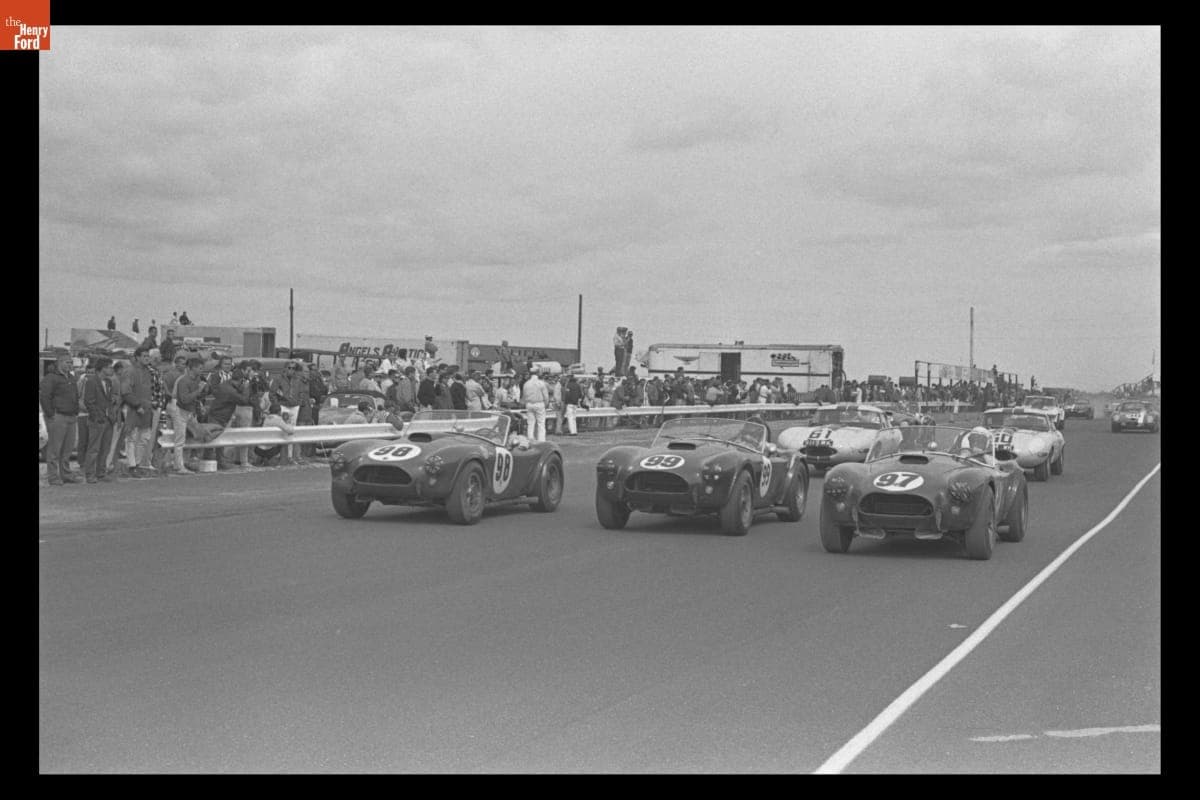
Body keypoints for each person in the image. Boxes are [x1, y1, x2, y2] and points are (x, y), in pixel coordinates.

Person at [40, 354, 81, 485]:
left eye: (71, 363)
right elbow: (45, 397)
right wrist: (50, 414)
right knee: (54, 449)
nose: (71, 365)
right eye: (68, 362)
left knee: (68, 449)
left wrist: (75, 411)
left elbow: (76, 396)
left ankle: (66, 474)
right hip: (58, 416)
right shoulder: (50, 378)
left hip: (71, 416)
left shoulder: (72, 378)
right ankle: (53, 476)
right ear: (60, 363)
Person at [81, 357, 121, 483]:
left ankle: (101, 473)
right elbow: (89, 401)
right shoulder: (91, 381)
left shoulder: (108, 382)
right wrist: (97, 416)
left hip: (108, 419)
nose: (111, 369)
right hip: (97, 420)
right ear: (102, 368)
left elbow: (108, 400)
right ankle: (90, 474)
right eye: (109, 367)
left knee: (105, 448)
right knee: (94, 448)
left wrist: (112, 412)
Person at [120, 347, 156, 478]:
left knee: (144, 438)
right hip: (133, 409)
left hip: (146, 409)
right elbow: (125, 392)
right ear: (137, 357)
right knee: (132, 437)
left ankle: (138, 463)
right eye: (144, 356)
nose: (147, 358)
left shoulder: (148, 371)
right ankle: (131, 466)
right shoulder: (130, 371)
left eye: (148, 356)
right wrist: (137, 405)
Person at [171, 357, 208, 472]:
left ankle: (188, 461)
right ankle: (178, 466)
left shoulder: (197, 380)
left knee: (198, 434)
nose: (202, 370)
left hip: (190, 412)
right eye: (200, 368)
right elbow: (184, 399)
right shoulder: (183, 381)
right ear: (193, 368)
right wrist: (199, 390)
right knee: (180, 439)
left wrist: (202, 396)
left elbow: (196, 397)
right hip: (180, 411)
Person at [521, 366, 550, 442]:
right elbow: (546, 396)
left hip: (529, 404)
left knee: (530, 423)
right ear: (537, 373)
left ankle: (530, 439)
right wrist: (546, 404)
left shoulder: (526, 384)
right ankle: (541, 440)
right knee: (541, 423)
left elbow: (524, 396)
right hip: (539, 403)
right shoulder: (541, 383)